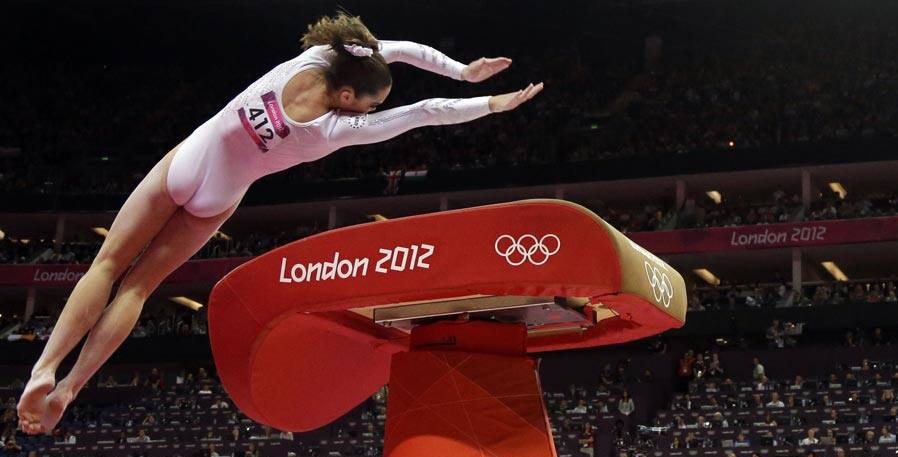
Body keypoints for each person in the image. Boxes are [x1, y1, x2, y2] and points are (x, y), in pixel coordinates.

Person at [16, 11, 543, 435]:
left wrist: (459, 69)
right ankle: (71, 389)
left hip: (190, 160)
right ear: (346, 97)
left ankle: (44, 369)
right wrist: (487, 99)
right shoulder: (335, 128)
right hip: (220, 195)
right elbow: (426, 111)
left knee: (107, 264)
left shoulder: (321, 56)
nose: (380, 106)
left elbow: (400, 51)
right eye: (374, 101)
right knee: (139, 287)